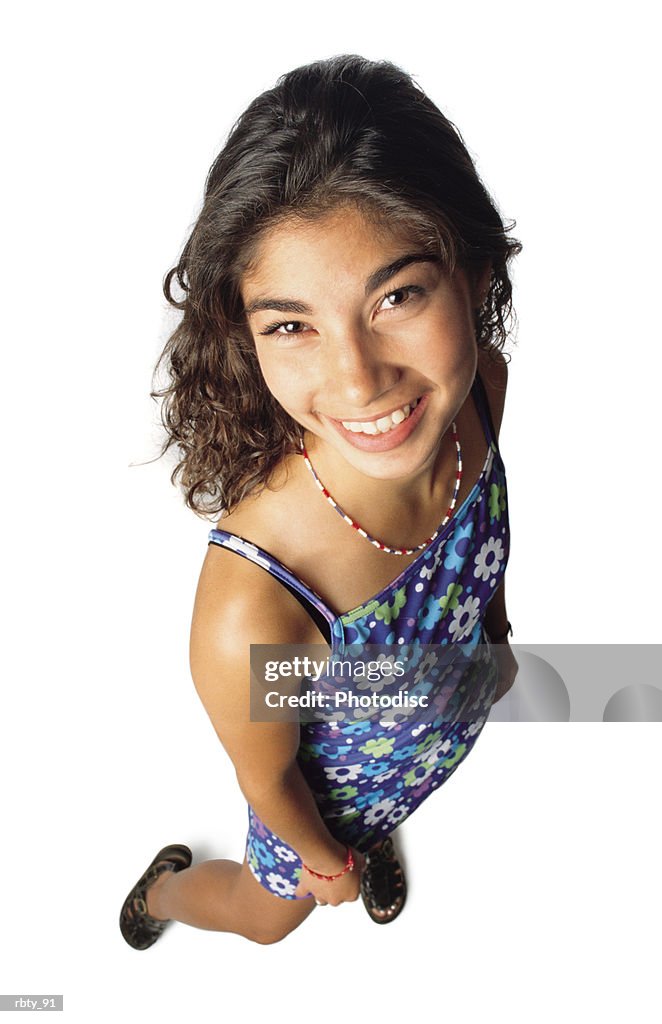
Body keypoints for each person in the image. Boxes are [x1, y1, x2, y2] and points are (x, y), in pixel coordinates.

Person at [120, 54, 520, 950]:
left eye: (398, 295)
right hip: (325, 804)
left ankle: (368, 838)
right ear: (246, 334)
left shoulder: (480, 391)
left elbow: (483, 535)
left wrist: (491, 631)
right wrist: (323, 861)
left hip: (430, 736)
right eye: (292, 324)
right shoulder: (255, 605)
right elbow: (268, 782)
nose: (358, 379)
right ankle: (167, 894)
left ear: (475, 273)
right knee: (270, 922)